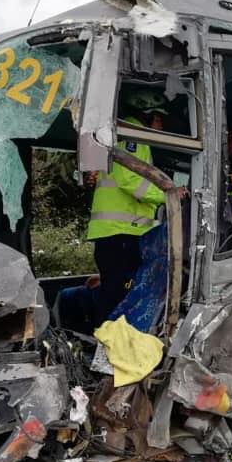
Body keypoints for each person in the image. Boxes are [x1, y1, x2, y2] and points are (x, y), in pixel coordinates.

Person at [86, 90, 167, 324]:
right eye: (159, 117)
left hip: (116, 233)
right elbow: (130, 179)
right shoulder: (134, 135)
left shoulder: (124, 134)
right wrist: (168, 195)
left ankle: (108, 345)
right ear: (148, 115)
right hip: (122, 232)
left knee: (115, 293)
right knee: (119, 296)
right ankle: (109, 350)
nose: (161, 124)